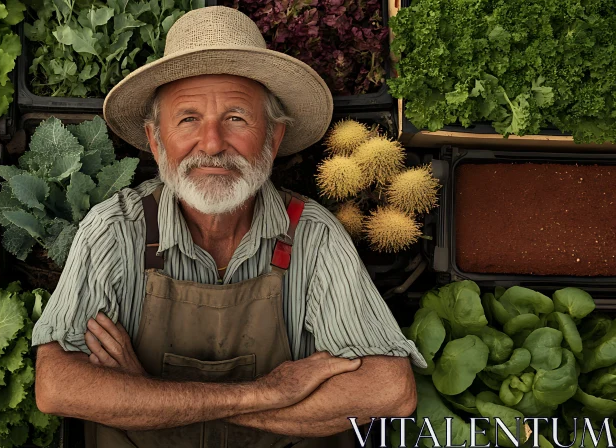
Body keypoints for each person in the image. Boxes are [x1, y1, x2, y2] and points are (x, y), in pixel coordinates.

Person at [32, 5, 427, 447]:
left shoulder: (312, 234)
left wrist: (148, 400)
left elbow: (389, 389)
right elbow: (57, 386)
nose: (214, 144)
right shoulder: (114, 229)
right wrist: (268, 393)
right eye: (188, 119)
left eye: (236, 118)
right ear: (155, 141)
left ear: (274, 138)